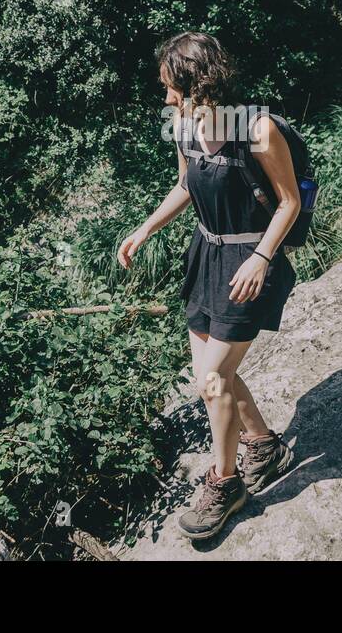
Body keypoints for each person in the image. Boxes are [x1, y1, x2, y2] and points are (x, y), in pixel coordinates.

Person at [117, 31, 300, 540]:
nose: (166, 98)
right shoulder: (183, 127)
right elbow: (184, 185)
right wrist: (145, 228)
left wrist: (262, 257)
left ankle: (225, 483)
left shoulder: (256, 129)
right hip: (206, 256)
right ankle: (264, 444)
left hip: (249, 262)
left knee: (212, 379)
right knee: (212, 374)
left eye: (170, 88)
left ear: (197, 82)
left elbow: (289, 202)